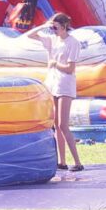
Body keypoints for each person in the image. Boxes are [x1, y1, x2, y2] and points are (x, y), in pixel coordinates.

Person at [26, 12, 83, 171]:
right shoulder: (53, 40)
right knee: (56, 125)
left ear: (64, 26)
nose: (54, 30)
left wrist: (55, 64)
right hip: (53, 83)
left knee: (63, 124)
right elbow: (30, 35)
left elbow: (70, 69)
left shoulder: (72, 43)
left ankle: (78, 162)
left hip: (65, 85)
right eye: (53, 28)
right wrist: (45, 26)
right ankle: (62, 161)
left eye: (56, 27)